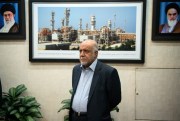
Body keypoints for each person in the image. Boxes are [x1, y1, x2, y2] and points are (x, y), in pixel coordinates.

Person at [69, 39, 121, 121]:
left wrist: (99, 111)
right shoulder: (76, 70)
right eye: (80, 51)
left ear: (95, 54)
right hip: (75, 118)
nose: (82, 54)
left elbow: (115, 99)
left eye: (86, 51)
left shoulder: (108, 72)